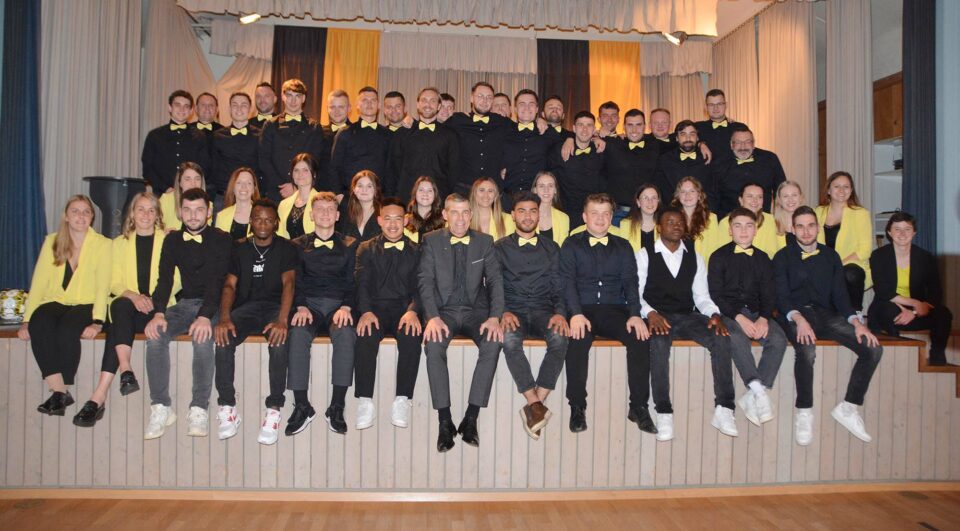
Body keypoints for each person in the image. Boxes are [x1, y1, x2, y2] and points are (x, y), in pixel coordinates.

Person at [774, 206, 883, 445]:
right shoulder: (782, 257)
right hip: (793, 315)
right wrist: (799, 319)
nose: (806, 231)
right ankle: (804, 412)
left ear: (818, 228)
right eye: (800, 226)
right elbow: (781, 297)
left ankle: (849, 407)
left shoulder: (831, 256)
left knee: (873, 347)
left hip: (825, 315)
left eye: (811, 226)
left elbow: (841, 297)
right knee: (806, 349)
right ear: (793, 229)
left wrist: (857, 322)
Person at [73, 193, 177, 427]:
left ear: (158, 215)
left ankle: (100, 395)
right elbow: (113, 282)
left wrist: (154, 300)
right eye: (141, 209)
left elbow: (176, 279)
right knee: (119, 305)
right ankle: (125, 370)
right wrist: (134, 296)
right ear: (132, 213)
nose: (146, 214)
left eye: (151, 210)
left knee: (116, 328)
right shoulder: (119, 243)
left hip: (159, 309)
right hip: (130, 307)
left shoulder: (168, 240)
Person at [638, 207, 739, 441]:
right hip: (657, 316)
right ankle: (663, 411)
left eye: (680, 222)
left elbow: (701, 296)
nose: (676, 226)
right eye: (670, 222)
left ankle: (724, 407)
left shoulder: (695, 256)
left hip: (686, 315)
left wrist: (714, 314)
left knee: (721, 335)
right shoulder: (645, 255)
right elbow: (636, 294)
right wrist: (650, 313)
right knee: (659, 343)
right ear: (659, 227)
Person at [560, 194, 654, 434]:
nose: (600, 219)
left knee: (640, 337)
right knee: (577, 339)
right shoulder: (571, 244)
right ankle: (577, 407)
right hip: (583, 310)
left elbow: (631, 283)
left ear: (612, 217)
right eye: (595, 213)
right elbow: (567, 282)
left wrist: (635, 314)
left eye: (605, 214)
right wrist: (575, 313)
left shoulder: (623, 246)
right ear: (584, 217)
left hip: (614, 309)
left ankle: (639, 407)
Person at [143, 188, 232, 440]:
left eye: (199, 210)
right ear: (180, 213)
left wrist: (204, 316)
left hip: (213, 305)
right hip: (184, 304)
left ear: (209, 211)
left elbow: (217, 282)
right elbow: (164, 281)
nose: (193, 216)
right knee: (155, 335)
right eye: (188, 210)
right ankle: (161, 406)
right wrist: (158, 313)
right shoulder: (172, 240)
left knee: (202, 339)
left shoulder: (221, 239)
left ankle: (199, 408)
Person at [418, 193, 504, 452]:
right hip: (443, 312)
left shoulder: (485, 241)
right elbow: (425, 281)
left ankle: (471, 418)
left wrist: (494, 317)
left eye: (465, 212)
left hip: (475, 312)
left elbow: (496, 281)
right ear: (445, 215)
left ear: (471, 214)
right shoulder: (431, 240)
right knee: (433, 346)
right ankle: (444, 421)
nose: (460, 218)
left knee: (493, 342)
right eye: (454, 212)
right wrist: (432, 317)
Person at [213, 199, 298, 445]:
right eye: (258, 219)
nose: (262, 224)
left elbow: (289, 284)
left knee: (279, 342)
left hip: (274, 308)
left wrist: (282, 320)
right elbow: (229, 285)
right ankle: (227, 406)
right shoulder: (239, 248)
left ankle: (274, 409)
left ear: (276, 223)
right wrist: (224, 318)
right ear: (251, 221)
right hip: (247, 309)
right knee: (223, 338)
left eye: (268, 220)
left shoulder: (286, 248)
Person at [18, 195, 111, 417]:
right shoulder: (52, 241)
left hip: (87, 303)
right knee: (40, 321)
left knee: (68, 328)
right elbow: (39, 283)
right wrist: (26, 321)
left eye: (86, 211)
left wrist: (98, 321)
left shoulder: (103, 244)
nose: (81, 216)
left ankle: (63, 389)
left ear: (92, 217)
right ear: (66, 216)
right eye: (75, 211)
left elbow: (103, 286)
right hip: (56, 300)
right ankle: (58, 391)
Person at [495, 191, 569, 439]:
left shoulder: (552, 248)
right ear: (513, 215)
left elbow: (559, 287)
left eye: (533, 211)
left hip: (542, 310)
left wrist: (560, 313)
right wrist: (503, 311)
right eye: (522, 211)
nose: (528, 216)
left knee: (560, 338)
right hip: (512, 310)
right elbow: (493, 286)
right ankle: (534, 402)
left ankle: (536, 403)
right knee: (509, 340)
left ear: (539, 215)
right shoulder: (499, 248)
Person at [287, 192, 359, 435]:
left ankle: (337, 405)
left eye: (330, 209)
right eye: (320, 209)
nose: (325, 214)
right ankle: (301, 405)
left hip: (339, 305)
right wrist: (300, 305)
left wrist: (346, 307)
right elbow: (295, 280)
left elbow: (354, 281)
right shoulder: (297, 245)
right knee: (297, 333)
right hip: (309, 305)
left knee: (346, 334)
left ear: (338, 215)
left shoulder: (351, 244)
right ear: (311, 215)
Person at [709, 207, 788, 427]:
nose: (743, 231)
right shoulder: (718, 257)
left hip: (756, 312)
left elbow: (769, 294)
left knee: (778, 339)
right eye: (738, 226)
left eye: (749, 226)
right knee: (736, 337)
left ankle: (753, 395)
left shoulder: (763, 259)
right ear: (730, 230)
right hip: (729, 313)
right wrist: (739, 318)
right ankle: (758, 390)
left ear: (755, 230)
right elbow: (715, 295)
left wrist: (763, 318)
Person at [353, 197, 424, 429]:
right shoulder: (365, 248)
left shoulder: (418, 250)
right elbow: (362, 284)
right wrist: (365, 311)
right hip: (375, 309)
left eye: (398, 219)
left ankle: (403, 399)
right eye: (388, 219)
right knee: (365, 334)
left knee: (412, 335)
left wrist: (413, 311)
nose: (393, 224)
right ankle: (364, 400)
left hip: (405, 309)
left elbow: (422, 287)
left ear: (406, 220)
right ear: (380, 220)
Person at [869, 212, 953, 365]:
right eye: (897, 229)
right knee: (889, 310)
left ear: (914, 232)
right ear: (889, 232)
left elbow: (935, 291)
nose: (902, 234)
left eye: (907, 229)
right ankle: (896, 356)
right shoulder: (878, 256)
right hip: (889, 305)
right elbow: (883, 291)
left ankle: (937, 355)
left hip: (917, 311)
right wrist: (914, 304)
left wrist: (915, 311)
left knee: (944, 314)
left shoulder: (925, 257)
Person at [815, 171, 873, 313]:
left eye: (846, 187)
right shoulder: (817, 212)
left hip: (851, 265)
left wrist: (837, 265)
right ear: (828, 190)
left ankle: (856, 312)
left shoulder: (860, 213)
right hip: (824, 265)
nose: (841, 190)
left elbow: (865, 250)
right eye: (837, 186)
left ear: (851, 190)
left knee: (850, 273)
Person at [259, 79, 326, 201]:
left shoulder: (314, 127)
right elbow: (264, 159)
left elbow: (316, 162)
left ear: (303, 98)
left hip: (304, 191)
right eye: (289, 95)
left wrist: (295, 186)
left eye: (297, 96)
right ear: (283, 97)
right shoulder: (270, 125)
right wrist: (281, 185)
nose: (293, 100)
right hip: (275, 192)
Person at [391, 87, 460, 202]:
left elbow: (454, 171)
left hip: (439, 199)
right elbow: (393, 169)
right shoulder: (402, 134)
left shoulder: (450, 136)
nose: (428, 104)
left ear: (438, 106)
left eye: (433, 101)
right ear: (417, 105)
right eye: (424, 100)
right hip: (407, 199)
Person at [444, 82, 513, 196]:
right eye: (480, 96)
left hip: (492, 190)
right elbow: (436, 130)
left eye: (489, 97)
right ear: (471, 98)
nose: (485, 100)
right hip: (463, 189)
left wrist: (541, 121)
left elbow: (522, 132)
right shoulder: (457, 120)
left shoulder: (502, 122)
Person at [141, 90, 210, 193]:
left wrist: (189, 187)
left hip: (190, 194)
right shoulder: (154, 135)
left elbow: (204, 167)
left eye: (186, 106)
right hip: (161, 194)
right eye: (178, 105)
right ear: (170, 108)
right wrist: (166, 188)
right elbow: (147, 168)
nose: (182, 109)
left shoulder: (200, 137)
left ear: (191, 111)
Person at [500, 89, 562, 201]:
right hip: (508, 198)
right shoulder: (504, 130)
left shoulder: (548, 132)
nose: (527, 108)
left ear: (537, 109)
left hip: (537, 199)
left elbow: (567, 142)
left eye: (531, 104)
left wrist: (570, 139)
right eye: (522, 104)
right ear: (515, 109)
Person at [330, 87, 393, 195]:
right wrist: (338, 194)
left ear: (378, 105)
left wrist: (388, 197)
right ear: (357, 105)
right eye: (365, 100)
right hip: (349, 196)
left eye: (373, 100)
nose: (369, 103)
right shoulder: (345, 133)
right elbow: (334, 168)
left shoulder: (388, 135)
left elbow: (391, 169)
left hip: (379, 197)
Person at [715, 124, 786, 219]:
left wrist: (780, 218)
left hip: (762, 220)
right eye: (738, 142)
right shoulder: (719, 163)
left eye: (747, 142)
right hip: (729, 220)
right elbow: (713, 195)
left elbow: (781, 190)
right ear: (731, 145)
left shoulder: (770, 159)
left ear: (753, 144)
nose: (743, 146)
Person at [602, 109, 659, 225]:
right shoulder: (612, 144)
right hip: (618, 214)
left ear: (645, 126)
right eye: (630, 125)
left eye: (638, 125)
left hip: (648, 213)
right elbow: (586, 139)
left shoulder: (655, 145)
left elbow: (678, 139)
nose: (634, 130)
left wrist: (698, 142)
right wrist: (570, 139)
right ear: (624, 127)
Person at [550, 111, 606, 227]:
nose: (585, 129)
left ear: (594, 129)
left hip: (593, 214)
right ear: (574, 128)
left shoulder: (601, 150)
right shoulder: (559, 149)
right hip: (565, 214)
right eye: (580, 125)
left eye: (589, 125)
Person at [210, 92, 260, 208]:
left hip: (251, 197)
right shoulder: (217, 136)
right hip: (223, 197)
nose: (239, 108)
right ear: (229, 109)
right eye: (235, 105)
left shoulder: (260, 135)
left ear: (250, 109)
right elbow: (213, 168)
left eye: (243, 105)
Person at [655, 120, 716, 205]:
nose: (688, 138)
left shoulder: (707, 158)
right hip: (674, 209)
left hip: (703, 209)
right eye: (683, 134)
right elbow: (662, 191)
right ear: (677, 138)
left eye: (692, 134)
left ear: (698, 138)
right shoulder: (665, 160)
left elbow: (713, 190)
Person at [716, 183, 779, 257]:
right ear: (741, 200)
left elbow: (772, 252)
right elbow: (722, 253)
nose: (755, 200)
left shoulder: (770, 220)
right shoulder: (725, 222)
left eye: (759, 197)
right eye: (750, 196)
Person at [672, 176, 724, 262]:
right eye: (683, 191)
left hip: (702, 267)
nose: (687, 195)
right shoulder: (671, 218)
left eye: (692, 191)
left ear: (699, 195)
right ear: (678, 196)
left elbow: (714, 249)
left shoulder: (711, 218)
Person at [695, 89, 746, 169]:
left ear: (726, 105)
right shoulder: (697, 127)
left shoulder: (739, 127)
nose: (715, 108)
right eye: (711, 105)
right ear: (706, 107)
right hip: (706, 174)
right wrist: (699, 144)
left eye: (719, 104)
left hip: (734, 174)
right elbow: (677, 140)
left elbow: (749, 149)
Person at [277, 153, 321, 240]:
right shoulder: (283, 204)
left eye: (305, 170)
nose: (300, 174)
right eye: (296, 170)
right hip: (288, 248)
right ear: (292, 174)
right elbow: (280, 236)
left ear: (314, 174)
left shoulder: (322, 202)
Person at [158, 162, 211, 231]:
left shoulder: (208, 204)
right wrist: (163, 233)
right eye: (187, 179)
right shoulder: (166, 200)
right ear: (180, 182)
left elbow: (206, 231)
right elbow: (155, 228)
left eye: (197, 179)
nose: (193, 184)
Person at [337, 170, 383, 242]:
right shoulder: (344, 212)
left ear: (376, 190)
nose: (364, 189)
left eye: (369, 186)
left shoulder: (384, 213)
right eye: (360, 186)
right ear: (354, 189)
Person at [215, 167, 260, 240]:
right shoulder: (222, 216)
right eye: (239, 182)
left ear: (254, 189)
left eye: (249, 183)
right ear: (233, 187)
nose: (243, 186)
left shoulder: (262, 216)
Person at [619, 183, 660, 254]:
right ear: (638, 202)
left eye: (654, 198)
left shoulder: (664, 225)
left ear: (658, 201)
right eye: (645, 198)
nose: (650, 201)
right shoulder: (625, 224)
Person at [531, 171, 570, 246]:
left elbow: (562, 249)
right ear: (535, 190)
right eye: (541, 186)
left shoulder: (564, 218)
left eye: (550, 186)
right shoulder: (526, 216)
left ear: (555, 190)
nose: (546, 190)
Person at [404, 176, 446, 242]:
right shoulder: (404, 221)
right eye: (421, 190)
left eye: (429, 190)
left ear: (435, 195)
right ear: (415, 193)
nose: (425, 194)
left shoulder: (445, 222)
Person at [772, 180, 804, 250]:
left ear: (801, 197)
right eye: (785, 196)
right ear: (779, 200)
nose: (790, 200)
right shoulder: (770, 224)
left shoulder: (812, 222)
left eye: (794, 195)